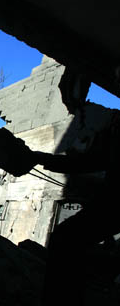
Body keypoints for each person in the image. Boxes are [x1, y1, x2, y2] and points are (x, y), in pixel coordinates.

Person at [35, 109, 119, 306]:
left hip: (114, 200)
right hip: (112, 198)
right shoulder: (113, 126)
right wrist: (41, 158)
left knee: (66, 240)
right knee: (67, 240)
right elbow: (88, 160)